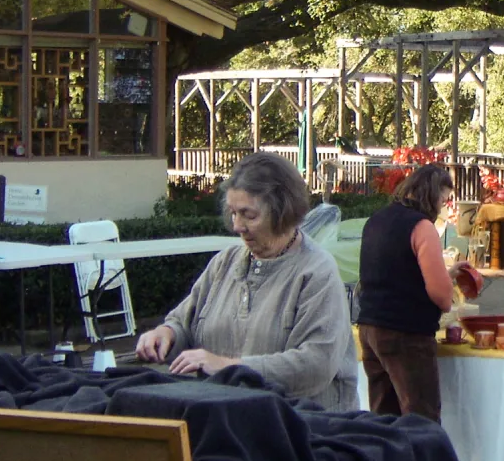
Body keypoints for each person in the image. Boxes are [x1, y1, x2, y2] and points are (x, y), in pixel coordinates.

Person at [134, 152, 358, 407]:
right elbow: (184, 323)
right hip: (228, 418)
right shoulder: (224, 263)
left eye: (249, 215)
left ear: (282, 213)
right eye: (233, 213)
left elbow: (316, 364)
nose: (237, 226)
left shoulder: (316, 271)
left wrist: (228, 367)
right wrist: (166, 334)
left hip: (304, 427)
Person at [355, 163, 456, 420]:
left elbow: (394, 272)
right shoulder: (422, 227)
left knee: (383, 419)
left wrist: (450, 274)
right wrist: (449, 284)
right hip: (406, 333)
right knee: (421, 421)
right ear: (432, 194)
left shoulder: (376, 220)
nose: (442, 207)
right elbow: (442, 297)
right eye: (442, 200)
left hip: (369, 328)